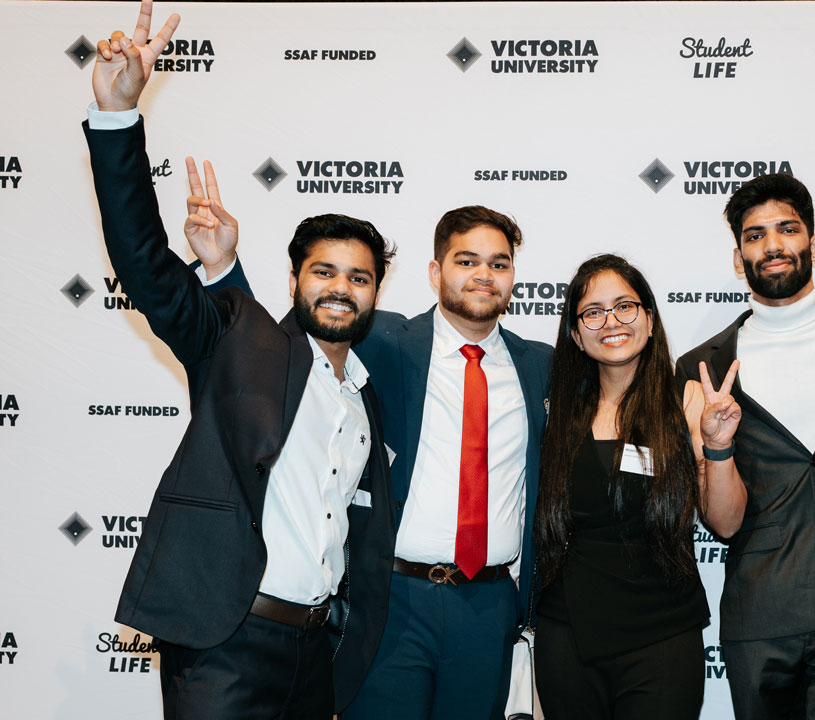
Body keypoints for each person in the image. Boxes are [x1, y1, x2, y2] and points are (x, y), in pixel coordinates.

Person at [83, 2, 396, 716]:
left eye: (358, 276)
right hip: (225, 644)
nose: (340, 289)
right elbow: (145, 264)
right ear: (294, 281)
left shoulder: (364, 399)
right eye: (324, 272)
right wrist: (117, 117)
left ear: (377, 291)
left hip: (315, 654)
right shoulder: (238, 344)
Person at [201, 196, 551, 719]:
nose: (484, 275)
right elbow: (267, 348)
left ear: (513, 277)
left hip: (490, 604)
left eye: (498, 264)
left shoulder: (541, 366)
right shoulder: (381, 340)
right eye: (467, 261)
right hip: (392, 600)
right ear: (435, 271)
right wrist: (221, 269)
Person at [676, 173, 815, 720]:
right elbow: (720, 521)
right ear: (738, 258)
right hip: (761, 609)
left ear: (814, 245)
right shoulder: (701, 369)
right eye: (755, 236)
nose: (772, 245)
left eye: (787, 229)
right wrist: (717, 447)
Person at [534, 254, 711, 719]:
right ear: (575, 334)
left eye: (625, 307)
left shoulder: (687, 400)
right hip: (567, 635)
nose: (610, 322)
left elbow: (727, 520)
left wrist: (719, 448)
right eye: (593, 312)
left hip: (663, 637)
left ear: (649, 319)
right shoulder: (553, 411)